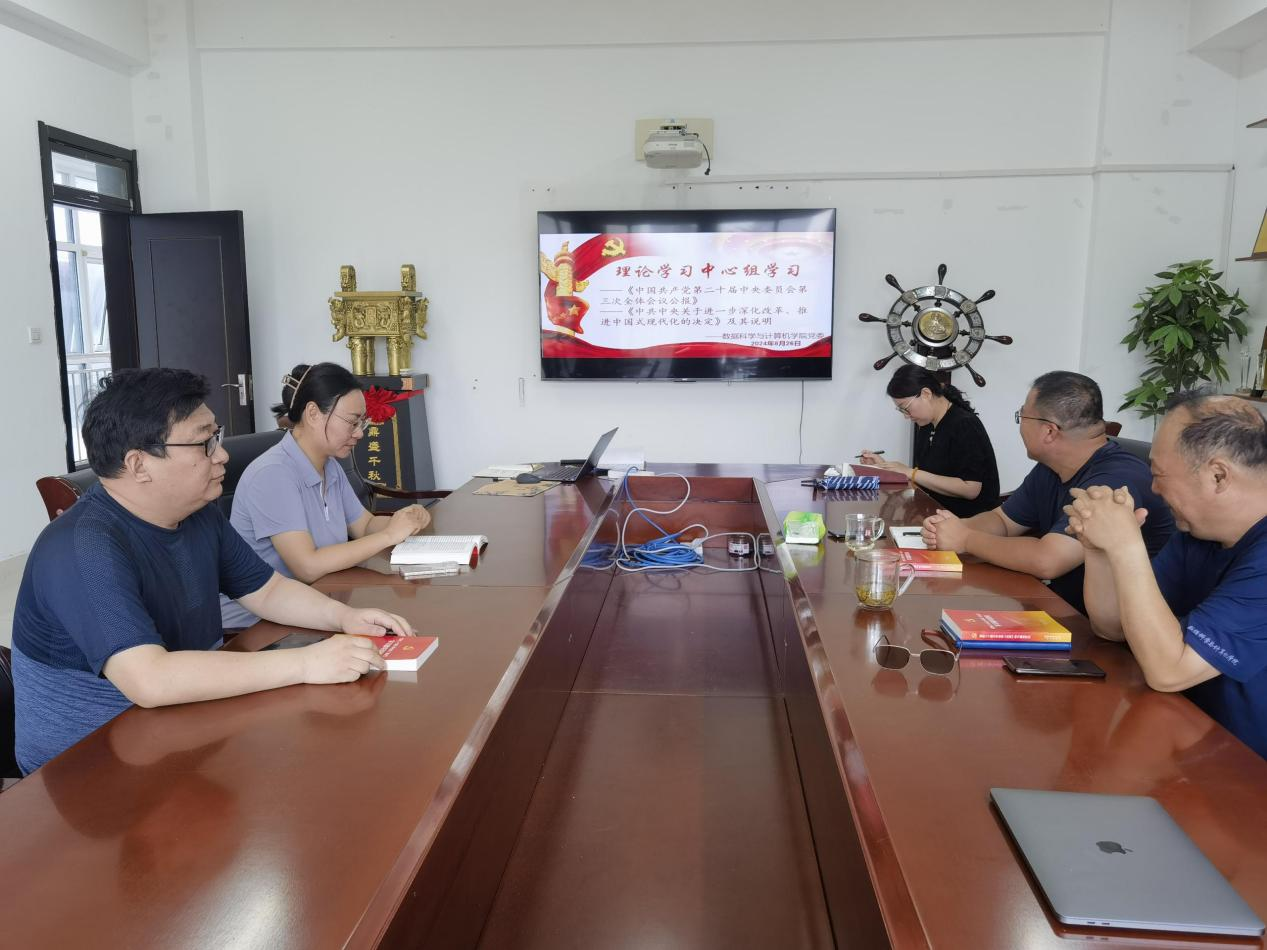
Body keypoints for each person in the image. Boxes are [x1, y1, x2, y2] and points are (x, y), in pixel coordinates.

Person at [12, 368, 414, 774]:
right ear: (138, 464)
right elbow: (150, 680)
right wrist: (307, 663)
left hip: (184, 725)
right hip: (90, 766)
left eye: (216, 437)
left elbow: (268, 591)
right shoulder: (82, 546)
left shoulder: (197, 514)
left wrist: (344, 617)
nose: (221, 455)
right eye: (204, 443)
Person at [1066, 391, 1267, 760]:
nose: (1154, 489)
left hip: (1243, 771)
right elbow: (1113, 626)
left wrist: (1127, 545)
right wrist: (1099, 550)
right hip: (1181, 736)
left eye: (1158, 475)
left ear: (1218, 475)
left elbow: (1169, 671)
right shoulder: (1199, 533)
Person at [921, 370, 1174, 612]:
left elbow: (1048, 560)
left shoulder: (1113, 481)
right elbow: (1003, 521)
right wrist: (953, 528)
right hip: (1059, 604)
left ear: (1049, 431)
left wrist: (966, 539)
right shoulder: (1052, 467)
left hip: (1108, 629)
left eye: (1022, 416)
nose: (1020, 425)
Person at [220, 363, 430, 629]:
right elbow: (307, 566)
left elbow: (364, 525)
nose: (359, 433)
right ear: (313, 414)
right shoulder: (272, 474)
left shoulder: (329, 466)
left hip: (319, 602)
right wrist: (389, 536)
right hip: (258, 624)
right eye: (352, 422)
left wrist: (402, 521)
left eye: (362, 422)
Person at [858, 364, 1000, 517]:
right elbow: (928, 479)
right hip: (935, 514)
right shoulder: (927, 424)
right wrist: (885, 467)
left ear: (926, 393)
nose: (906, 416)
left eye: (906, 408)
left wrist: (910, 472)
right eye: (901, 410)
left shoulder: (964, 424)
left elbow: (970, 489)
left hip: (969, 520)